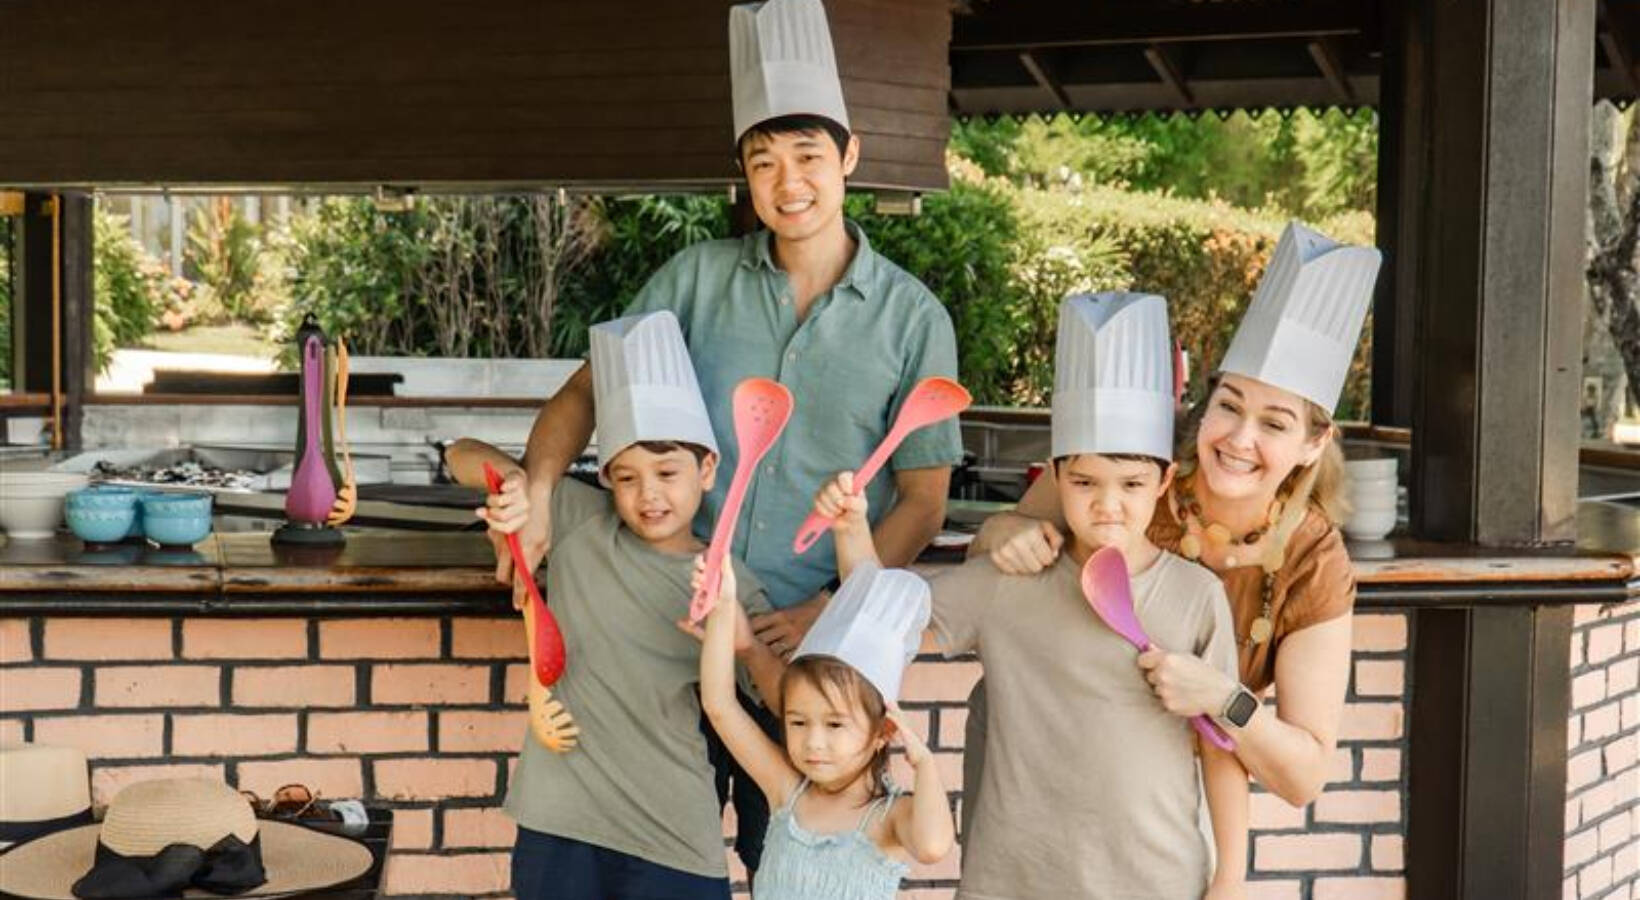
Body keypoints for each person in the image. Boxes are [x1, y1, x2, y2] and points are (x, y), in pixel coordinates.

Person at [494, 0, 963, 874]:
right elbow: (586, 393)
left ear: (849, 156)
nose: (789, 182)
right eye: (764, 162)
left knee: (790, 865)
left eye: (809, 156)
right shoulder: (694, 280)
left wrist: (829, 608)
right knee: (657, 867)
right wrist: (542, 490)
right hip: (665, 638)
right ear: (744, 174)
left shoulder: (912, 318)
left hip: (804, 669)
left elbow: (923, 501)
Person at [971, 222, 1382, 808]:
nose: (1239, 438)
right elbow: (989, 548)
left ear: (1313, 444)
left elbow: (1304, 778)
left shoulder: (1312, 560)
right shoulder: (1135, 473)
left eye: (1274, 423)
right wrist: (1004, 532)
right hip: (1047, 775)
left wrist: (1223, 697)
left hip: (1183, 809)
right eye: (1229, 406)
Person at [861, 293, 1248, 898]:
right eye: (1085, 481)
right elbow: (877, 615)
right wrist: (849, 526)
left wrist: (1230, 880)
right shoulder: (1008, 582)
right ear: (1055, 475)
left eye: (1131, 484)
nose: (1108, 504)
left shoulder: (1197, 597)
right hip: (1013, 882)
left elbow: (1223, 749)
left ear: (1165, 481)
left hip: (1159, 881)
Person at [449, 311, 783, 900]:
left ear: (707, 469)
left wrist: (748, 647)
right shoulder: (580, 523)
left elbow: (784, 698)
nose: (648, 494)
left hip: (673, 829)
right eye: (626, 477)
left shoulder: (730, 583)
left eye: (667, 471)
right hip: (559, 815)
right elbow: (460, 453)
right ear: (605, 479)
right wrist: (517, 482)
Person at [694, 548, 956, 898]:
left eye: (834, 725)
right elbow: (719, 706)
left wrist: (924, 762)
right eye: (798, 722)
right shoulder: (786, 791)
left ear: (884, 731)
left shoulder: (889, 817)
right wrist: (724, 607)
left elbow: (933, 847)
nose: (813, 742)